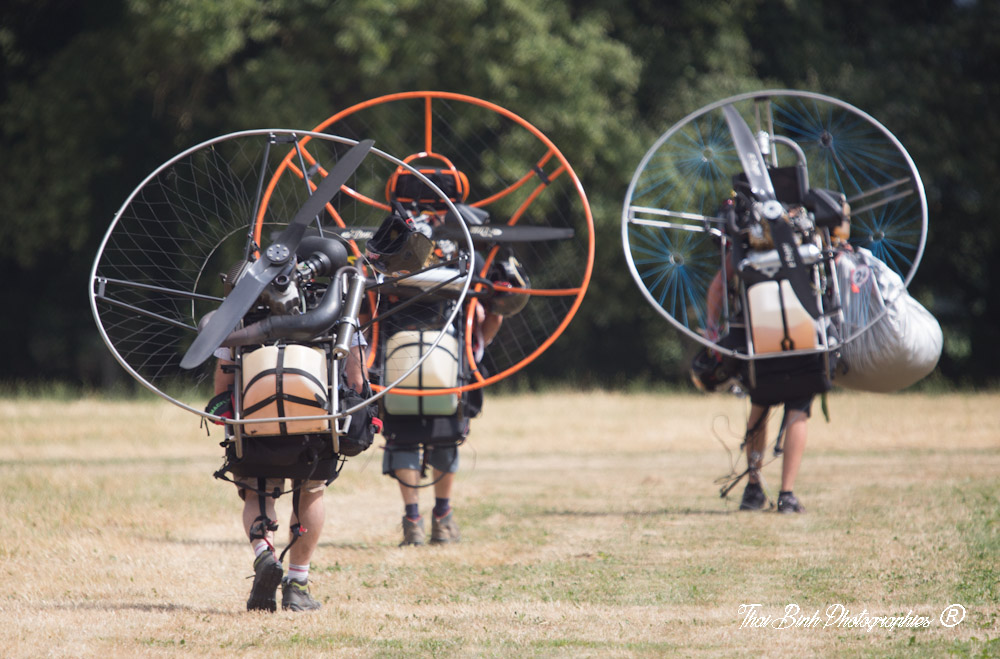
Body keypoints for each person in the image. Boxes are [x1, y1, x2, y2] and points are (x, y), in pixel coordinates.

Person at [698, 193, 841, 514]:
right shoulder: (808, 239)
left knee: (760, 406)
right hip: (805, 337)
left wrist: (711, 329)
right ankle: (787, 495)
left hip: (760, 341)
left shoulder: (745, 248)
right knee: (798, 409)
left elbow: (720, 287)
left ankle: (753, 487)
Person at [211, 337, 367, 611]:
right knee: (311, 492)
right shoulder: (338, 310)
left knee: (257, 492)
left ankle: (265, 555)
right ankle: (297, 584)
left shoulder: (239, 315)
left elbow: (223, 382)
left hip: (255, 419)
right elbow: (357, 379)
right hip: (315, 422)